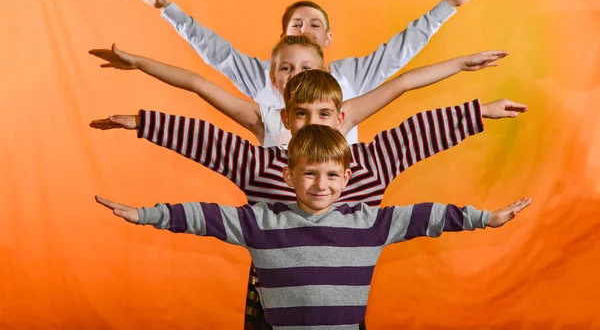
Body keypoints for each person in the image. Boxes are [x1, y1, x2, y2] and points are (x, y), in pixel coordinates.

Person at [90, 69, 527, 328]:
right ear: (286, 120)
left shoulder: (368, 165)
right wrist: (141, 124)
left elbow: (416, 137)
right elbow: (206, 147)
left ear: (342, 119)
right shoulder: (260, 167)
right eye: (301, 114)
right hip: (275, 298)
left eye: (323, 114)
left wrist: (477, 113)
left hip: (340, 303)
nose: (321, 185)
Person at [120, 0, 489, 144]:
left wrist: (450, 4)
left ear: (327, 40)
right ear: (281, 43)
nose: (304, 30)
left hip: (336, 193)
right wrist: (165, 7)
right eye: (296, 25)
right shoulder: (262, 87)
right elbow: (210, 54)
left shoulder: (350, 79)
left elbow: (403, 57)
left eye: (314, 25)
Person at [89, 34, 507, 146]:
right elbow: (198, 84)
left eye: (305, 67)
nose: (293, 75)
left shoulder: (343, 117)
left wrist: (462, 64)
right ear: (275, 80)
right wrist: (140, 63)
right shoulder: (265, 118)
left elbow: (403, 83)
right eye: (285, 69)